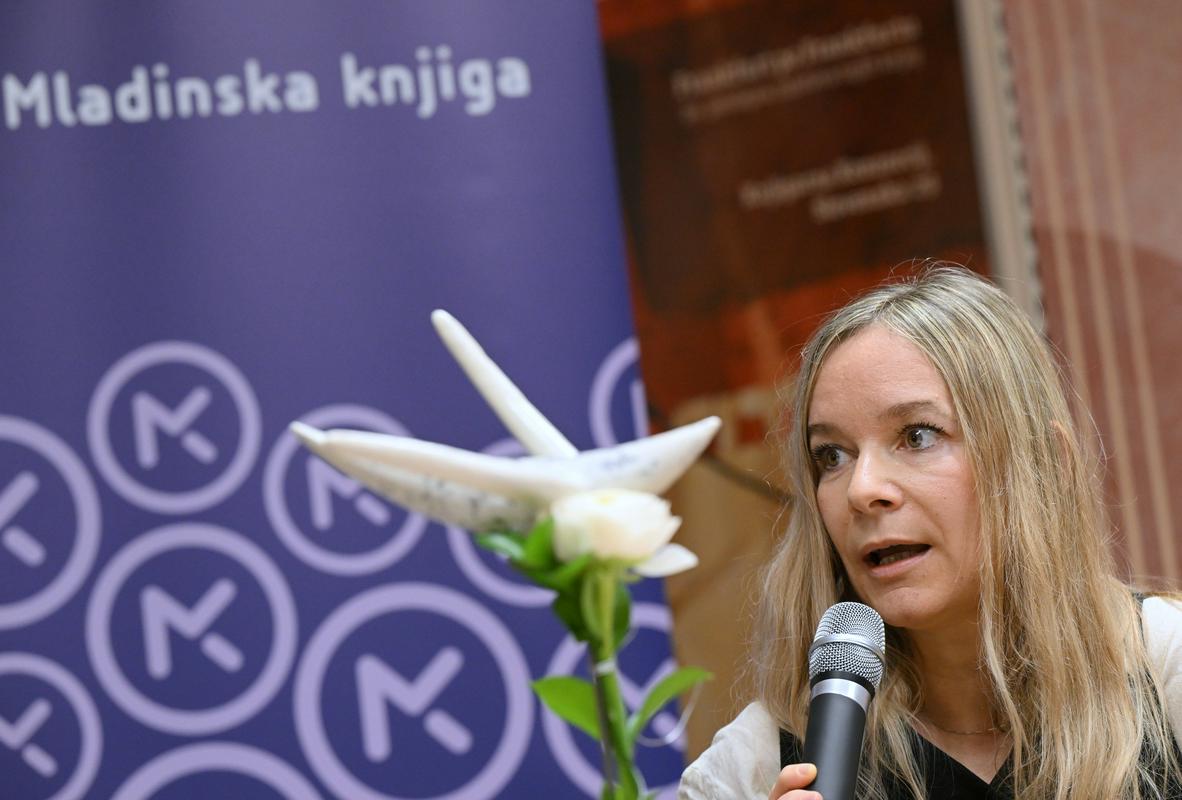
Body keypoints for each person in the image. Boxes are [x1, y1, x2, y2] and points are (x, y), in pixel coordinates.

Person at [678, 266, 1182, 799]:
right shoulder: (751, 768)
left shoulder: (1166, 666)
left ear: (1045, 465)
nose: (861, 489)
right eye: (832, 455)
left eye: (917, 436)